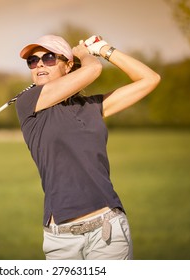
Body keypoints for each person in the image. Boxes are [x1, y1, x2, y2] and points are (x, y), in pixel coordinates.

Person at [15, 34, 160, 260]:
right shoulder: (29, 103)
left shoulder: (93, 106)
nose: (40, 63)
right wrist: (85, 54)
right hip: (60, 239)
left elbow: (150, 79)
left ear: (68, 65)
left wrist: (104, 49)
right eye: (32, 61)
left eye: (50, 57)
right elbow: (93, 71)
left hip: (107, 231)